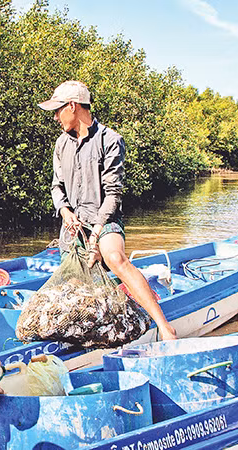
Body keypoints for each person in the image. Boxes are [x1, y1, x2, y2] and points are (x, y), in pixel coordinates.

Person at [38, 80, 178, 341]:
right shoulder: (60, 144)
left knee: (114, 258)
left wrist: (96, 233)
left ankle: (165, 326)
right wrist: (65, 211)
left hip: (105, 221)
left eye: (58, 110)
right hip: (73, 225)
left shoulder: (111, 140)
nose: (55, 117)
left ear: (73, 106)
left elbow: (113, 194)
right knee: (74, 284)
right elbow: (56, 187)